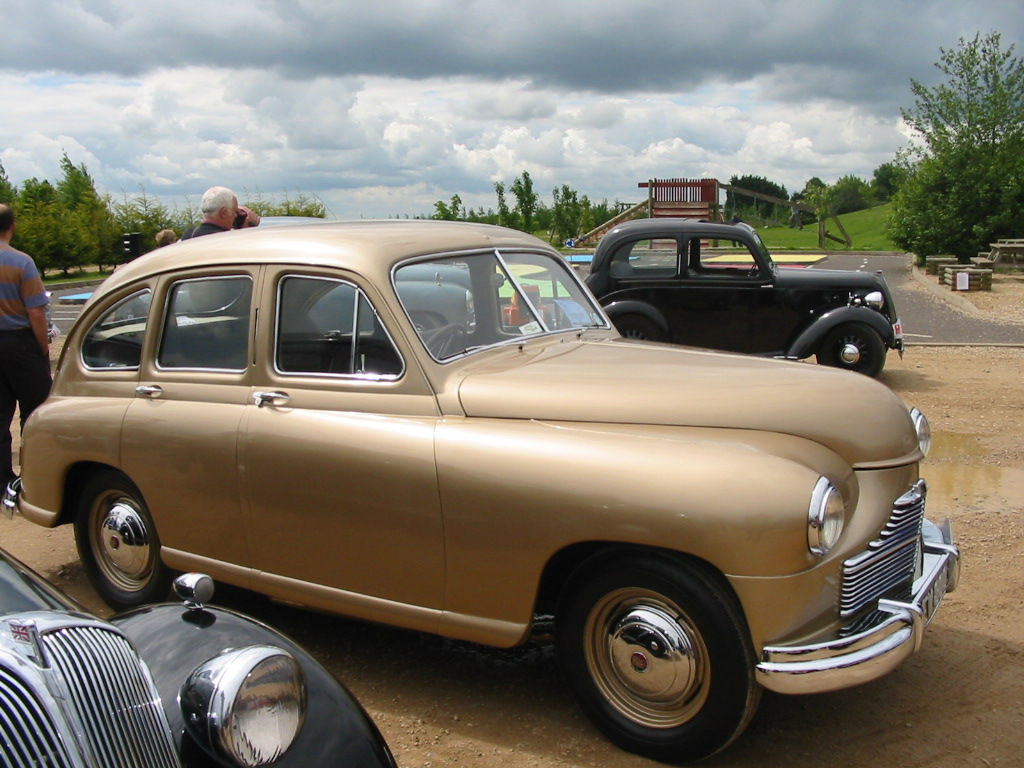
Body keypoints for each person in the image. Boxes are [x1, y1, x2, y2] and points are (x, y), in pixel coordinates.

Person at [0, 204, 52, 489]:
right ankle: (34, 475)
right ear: (13, 226)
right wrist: (42, 349)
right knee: (34, 412)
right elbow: (36, 311)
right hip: (19, 343)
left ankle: (1, 480)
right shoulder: (21, 262)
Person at [182, 186, 260, 239]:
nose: (236, 216)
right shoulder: (225, 239)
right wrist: (248, 232)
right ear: (224, 213)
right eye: (234, 211)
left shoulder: (189, 235)